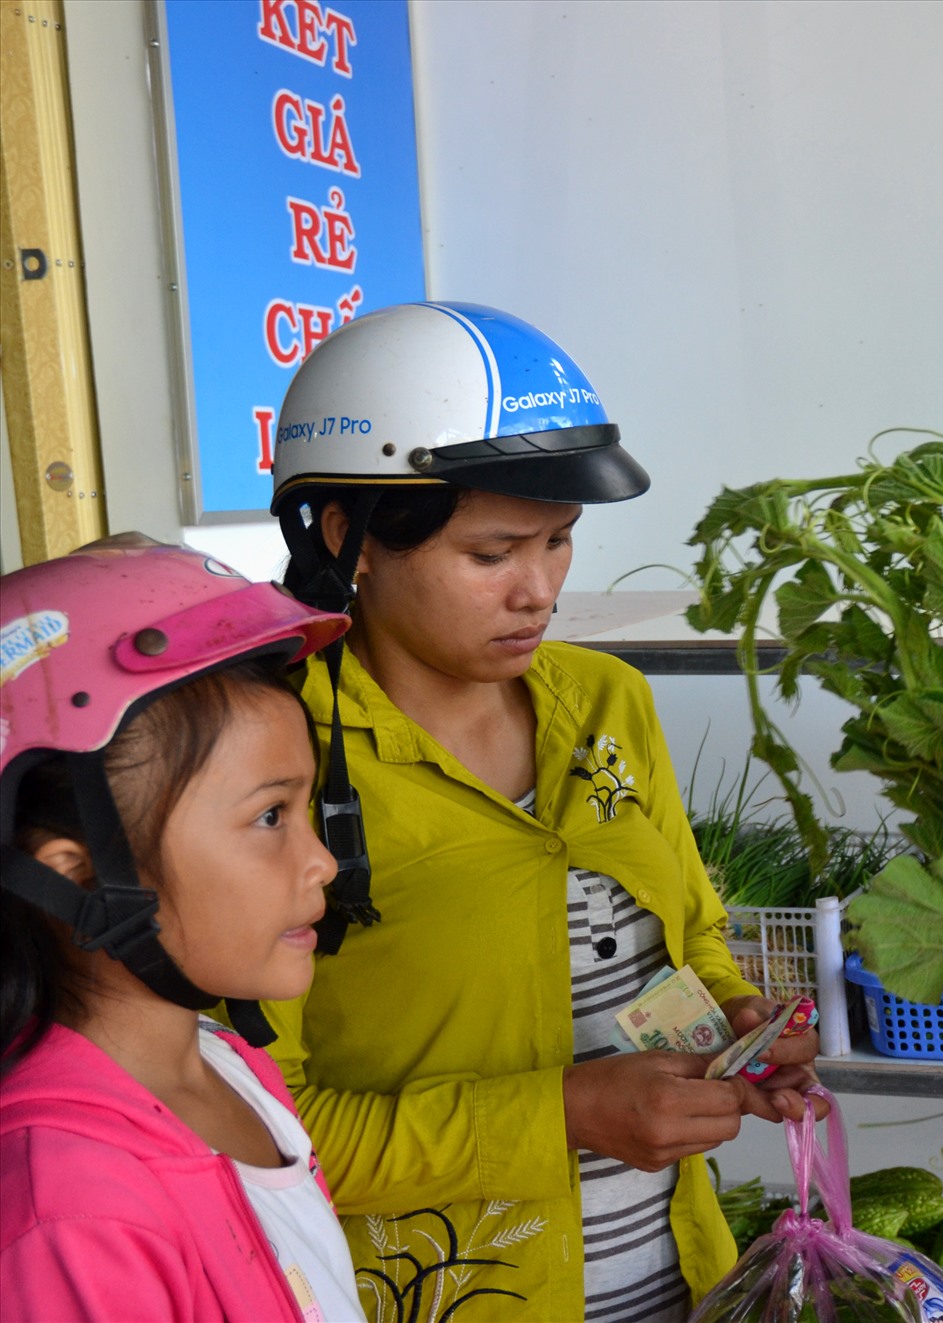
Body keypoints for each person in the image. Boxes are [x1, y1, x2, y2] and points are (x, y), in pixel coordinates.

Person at [261, 302, 817, 1323]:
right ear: (353, 537)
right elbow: (264, 1131)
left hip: (676, 1280)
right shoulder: (274, 761)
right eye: (493, 554)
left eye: (559, 542)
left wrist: (735, 1024)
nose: (541, 591)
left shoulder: (606, 701)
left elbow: (685, 932)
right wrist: (562, 1114)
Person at [0, 535, 361, 1320]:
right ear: (78, 872)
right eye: (270, 816)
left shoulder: (231, 1065)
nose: (322, 864)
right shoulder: (70, 1210)